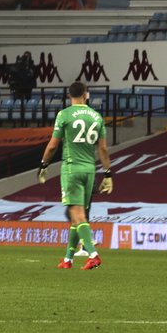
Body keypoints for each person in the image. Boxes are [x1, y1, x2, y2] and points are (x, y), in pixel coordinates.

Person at [37, 81, 112, 270]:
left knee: (77, 214)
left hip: (71, 169)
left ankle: (93, 254)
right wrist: (108, 174)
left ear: (69, 96)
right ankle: (68, 259)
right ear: (86, 95)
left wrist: (44, 164)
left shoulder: (64, 115)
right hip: (90, 171)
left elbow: (53, 145)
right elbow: (102, 149)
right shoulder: (97, 117)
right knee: (78, 216)